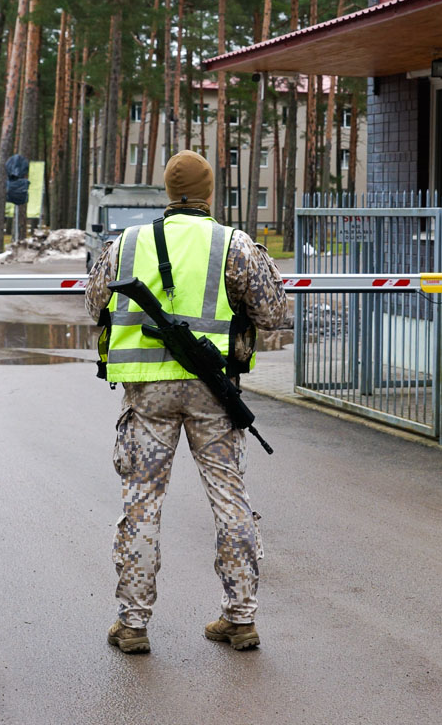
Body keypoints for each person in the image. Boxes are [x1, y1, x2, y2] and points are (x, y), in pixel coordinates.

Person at [85, 149, 289, 654]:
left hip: (147, 393)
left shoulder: (126, 244)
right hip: (214, 393)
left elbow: (94, 305)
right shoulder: (234, 245)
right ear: (210, 192)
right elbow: (273, 313)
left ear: (167, 192)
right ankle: (240, 618)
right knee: (230, 502)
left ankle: (132, 625)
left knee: (142, 505)